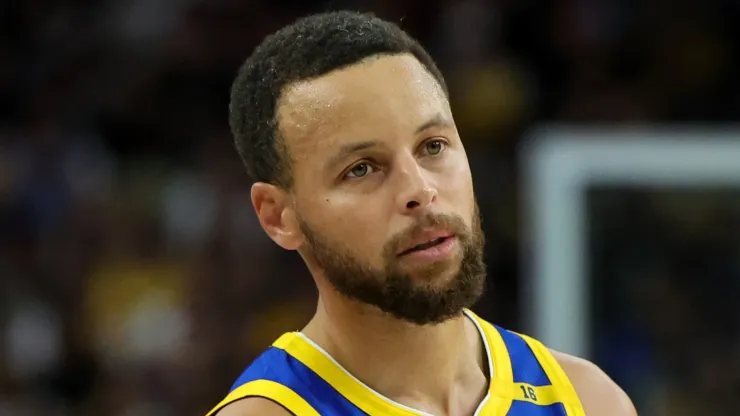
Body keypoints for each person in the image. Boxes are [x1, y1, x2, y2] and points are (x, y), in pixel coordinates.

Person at [207, 10, 636, 416]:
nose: (420, 190)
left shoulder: (587, 400)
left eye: (433, 146)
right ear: (278, 216)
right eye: (361, 169)